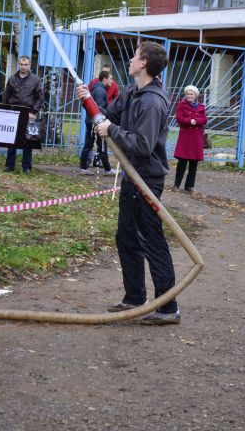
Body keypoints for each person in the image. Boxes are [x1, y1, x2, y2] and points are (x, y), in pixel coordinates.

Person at [77, 41, 180, 325]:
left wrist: (112, 130)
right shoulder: (133, 92)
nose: (131, 60)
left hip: (147, 178)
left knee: (152, 240)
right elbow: (107, 116)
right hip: (131, 176)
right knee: (126, 237)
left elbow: (143, 145)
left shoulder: (152, 101)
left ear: (144, 62)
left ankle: (168, 307)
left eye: (135, 56)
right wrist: (88, 100)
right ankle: (135, 298)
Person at [3, 55, 43, 173]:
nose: (23, 67)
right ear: (18, 64)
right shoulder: (12, 79)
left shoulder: (35, 80)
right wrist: (6, 111)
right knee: (12, 139)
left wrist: (33, 111)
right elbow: (6, 96)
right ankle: (9, 165)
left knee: (28, 140)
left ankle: (27, 167)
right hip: (13, 111)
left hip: (28, 112)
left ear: (29, 65)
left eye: (26, 64)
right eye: (21, 64)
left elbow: (40, 97)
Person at [79, 70, 116, 175]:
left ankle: (85, 168)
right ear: (105, 79)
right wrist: (105, 118)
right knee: (100, 145)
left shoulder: (97, 88)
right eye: (111, 79)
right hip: (95, 122)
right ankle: (106, 169)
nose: (112, 81)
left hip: (92, 121)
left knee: (93, 144)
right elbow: (98, 109)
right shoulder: (100, 91)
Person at [173, 85, 207, 192]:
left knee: (193, 163)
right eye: (187, 94)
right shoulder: (181, 105)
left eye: (191, 94)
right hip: (185, 137)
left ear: (195, 95)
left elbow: (205, 120)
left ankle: (189, 186)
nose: (189, 96)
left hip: (196, 138)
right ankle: (176, 184)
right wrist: (189, 121)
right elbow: (179, 118)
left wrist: (196, 121)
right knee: (182, 162)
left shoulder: (201, 106)